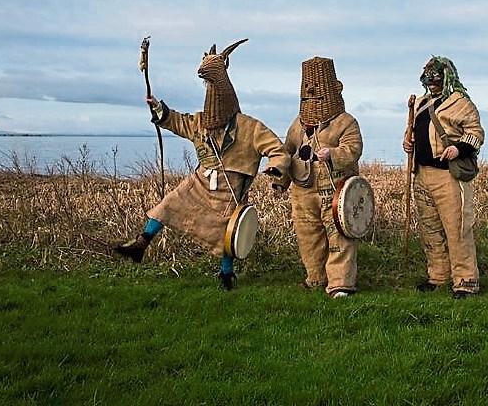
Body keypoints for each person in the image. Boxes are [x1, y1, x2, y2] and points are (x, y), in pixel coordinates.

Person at [113, 39, 290, 290]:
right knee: (169, 203)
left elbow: (276, 149)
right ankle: (140, 244)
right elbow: (176, 120)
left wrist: (275, 167)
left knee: (228, 232)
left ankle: (226, 275)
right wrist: (159, 109)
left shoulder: (249, 127)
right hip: (200, 180)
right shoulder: (200, 122)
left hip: (229, 188)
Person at [280, 57, 363, 298]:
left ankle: (340, 283)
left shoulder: (345, 122)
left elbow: (353, 149)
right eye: (308, 95)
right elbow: (287, 152)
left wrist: (333, 154)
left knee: (339, 234)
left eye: (318, 96)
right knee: (308, 235)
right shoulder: (298, 124)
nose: (312, 99)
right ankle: (315, 277)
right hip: (303, 189)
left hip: (335, 188)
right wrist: (280, 179)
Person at [403, 56, 484, 298]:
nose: (432, 83)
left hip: (448, 176)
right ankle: (438, 276)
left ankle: (465, 281)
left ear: (447, 77)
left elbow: (476, 133)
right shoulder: (421, 103)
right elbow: (414, 132)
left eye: (436, 79)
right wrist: (408, 142)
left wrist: (459, 148)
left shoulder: (461, 103)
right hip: (422, 174)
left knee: (457, 229)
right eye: (429, 79)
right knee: (431, 229)